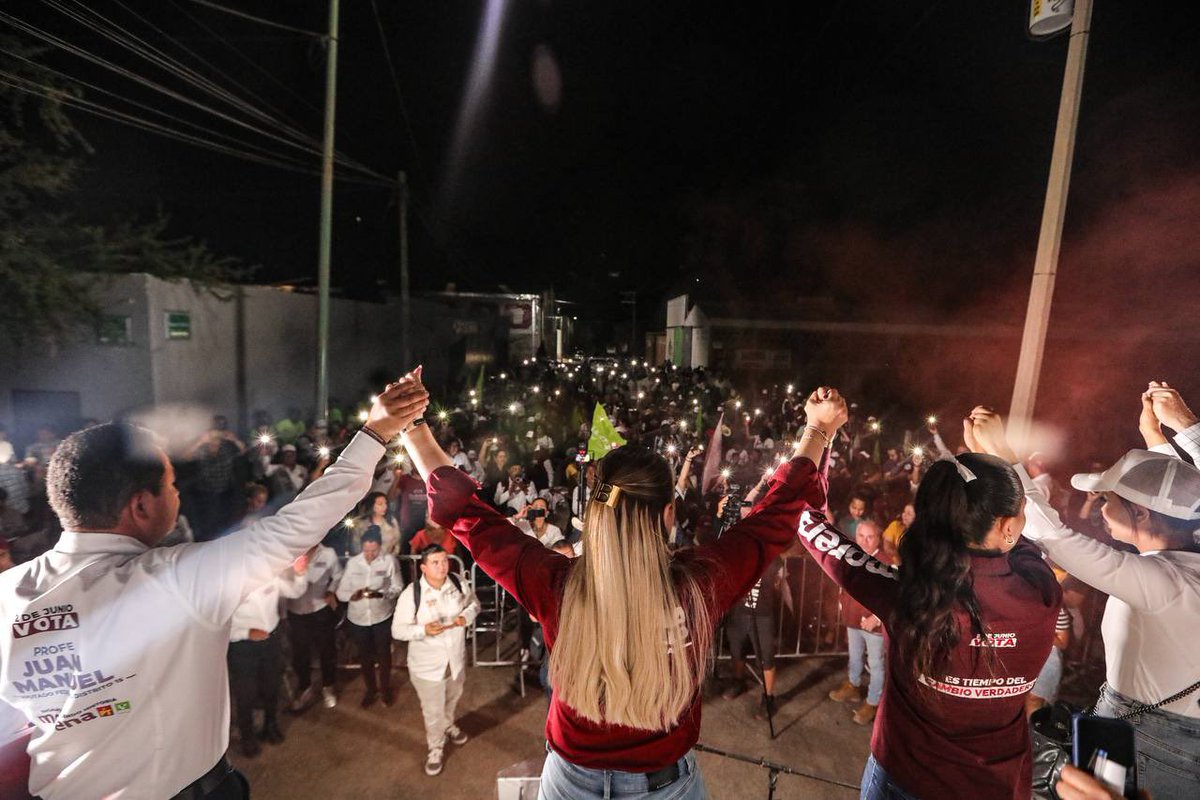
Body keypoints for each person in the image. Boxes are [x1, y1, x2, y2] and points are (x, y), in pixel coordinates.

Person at [398, 377, 839, 800]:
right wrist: (817, 429)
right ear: (668, 513)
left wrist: (412, 426)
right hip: (666, 787)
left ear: (597, 511)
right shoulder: (700, 584)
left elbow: (471, 516)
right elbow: (776, 515)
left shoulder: (555, 584)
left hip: (569, 784)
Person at [0, 376, 427, 799]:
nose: (178, 496)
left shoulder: (6, 593)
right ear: (141, 505)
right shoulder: (175, 580)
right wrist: (376, 432)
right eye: (171, 486)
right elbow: (299, 525)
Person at [793, 394, 1060, 800]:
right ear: (1008, 526)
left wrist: (820, 431)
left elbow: (805, 518)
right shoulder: (1040, 590)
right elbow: (1047, 535)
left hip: (903, 779)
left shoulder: (905, 594)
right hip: (995, 788)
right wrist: (1001, 454)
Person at [971, 397, 1200, 800]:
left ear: (1142, 515)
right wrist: (1161, 437)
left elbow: (1053, 536)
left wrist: (1006, 459)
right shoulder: (1186, 563)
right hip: (1168, 738)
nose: (1099, 507)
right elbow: (1183, 496)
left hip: (1150, 745)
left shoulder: (1161, 582)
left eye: (1108, 499)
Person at [392, 545, 480, 776]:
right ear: (423, 567)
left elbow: (474, 604)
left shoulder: (458, 582)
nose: (442, 567)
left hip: (455, 660)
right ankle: (436, 748)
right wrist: (423, 630)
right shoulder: (412, 594)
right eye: (435, 562)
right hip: (427, 666)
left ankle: (448, 724)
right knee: (432, 711)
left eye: (444, 561)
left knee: (452, 698)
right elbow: (397, 630)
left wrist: (465, 616)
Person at [227, 566, 307, 757]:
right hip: (243, 646)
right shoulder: (227, 585)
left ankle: (270, 725)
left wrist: (300, 573)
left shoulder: (270, 575)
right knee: (246, 694)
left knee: (271, 686)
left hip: (271, 640)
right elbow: (218, 627)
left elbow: (295, 591)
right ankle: (247, 737)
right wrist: (246, 633)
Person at [827, 519, 894, 726]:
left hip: (873, 626)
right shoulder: (852, 556)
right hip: (852, 620)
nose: (865, 541)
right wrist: (841, 605)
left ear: (878, 538)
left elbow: (893, 597)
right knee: (854, 656)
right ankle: (853, 686)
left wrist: (876, 617)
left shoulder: (886, 563)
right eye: (861, 536)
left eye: (870, 537)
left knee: (876, 664)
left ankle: (873, 702)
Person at [336, 527, 402, 708]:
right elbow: (341, 592)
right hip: (358, 618)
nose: (370, 555)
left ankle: (385, 689)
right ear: (361, 547)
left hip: (382, 616)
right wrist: (352, 596)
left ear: (380, 547)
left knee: (383, 654)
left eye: (373, 550)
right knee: (365, 656)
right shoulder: (353, 563)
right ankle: (371, 690)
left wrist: (381, 594)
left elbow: (398, 587)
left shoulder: (389, 561)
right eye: (366, 550)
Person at [721, 555, 784, 720]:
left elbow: (779, 580)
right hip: (739, 612)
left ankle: (768, 698)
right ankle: (738, 681)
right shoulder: (740, 554)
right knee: (736, 650)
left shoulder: (773, 558)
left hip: (763, 615)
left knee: (766, 658)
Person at [286, 542, 343, 712]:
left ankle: (328, 686)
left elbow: (338, 575)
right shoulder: (290, 552)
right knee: (300, 654)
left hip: (320, 610)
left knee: (327, 651)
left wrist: (331, 591)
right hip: (296, 611)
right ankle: (305, 688)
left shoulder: (328, 553)